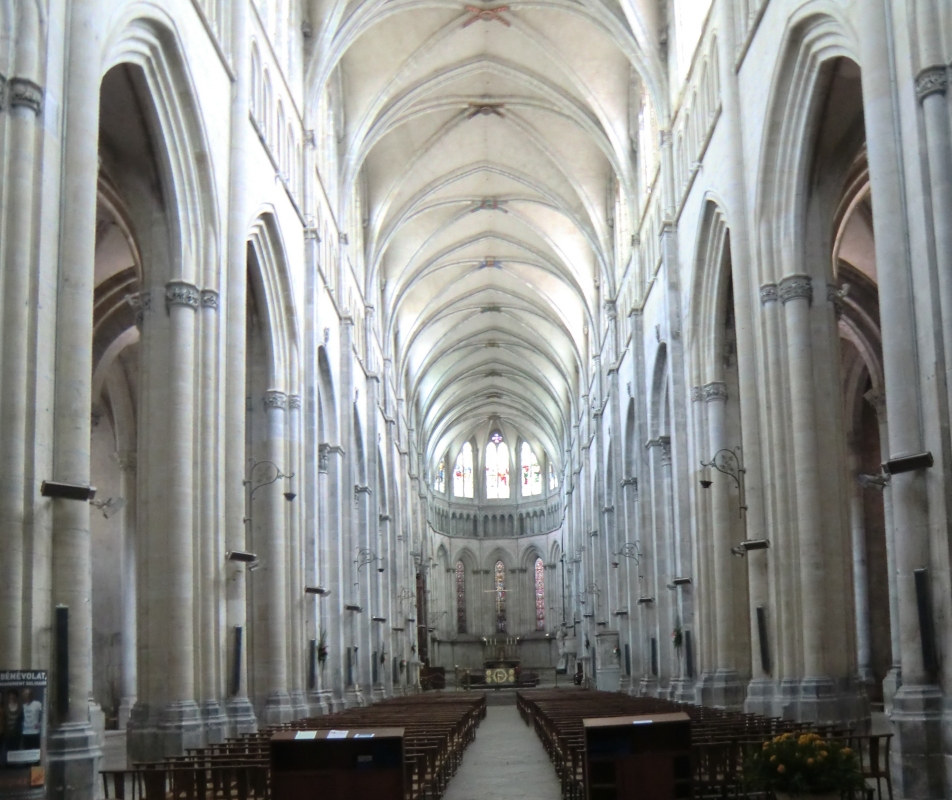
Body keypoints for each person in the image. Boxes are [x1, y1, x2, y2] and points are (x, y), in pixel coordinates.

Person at [3, 689, 23, 756]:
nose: (12, 697)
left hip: (17, 734)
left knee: (16, 751)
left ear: (16, 696)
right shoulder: (5, 708)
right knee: (7, 751)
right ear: (8, 696)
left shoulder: (20, 707)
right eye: (10, 695)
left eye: (13, 695)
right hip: (7, 734)